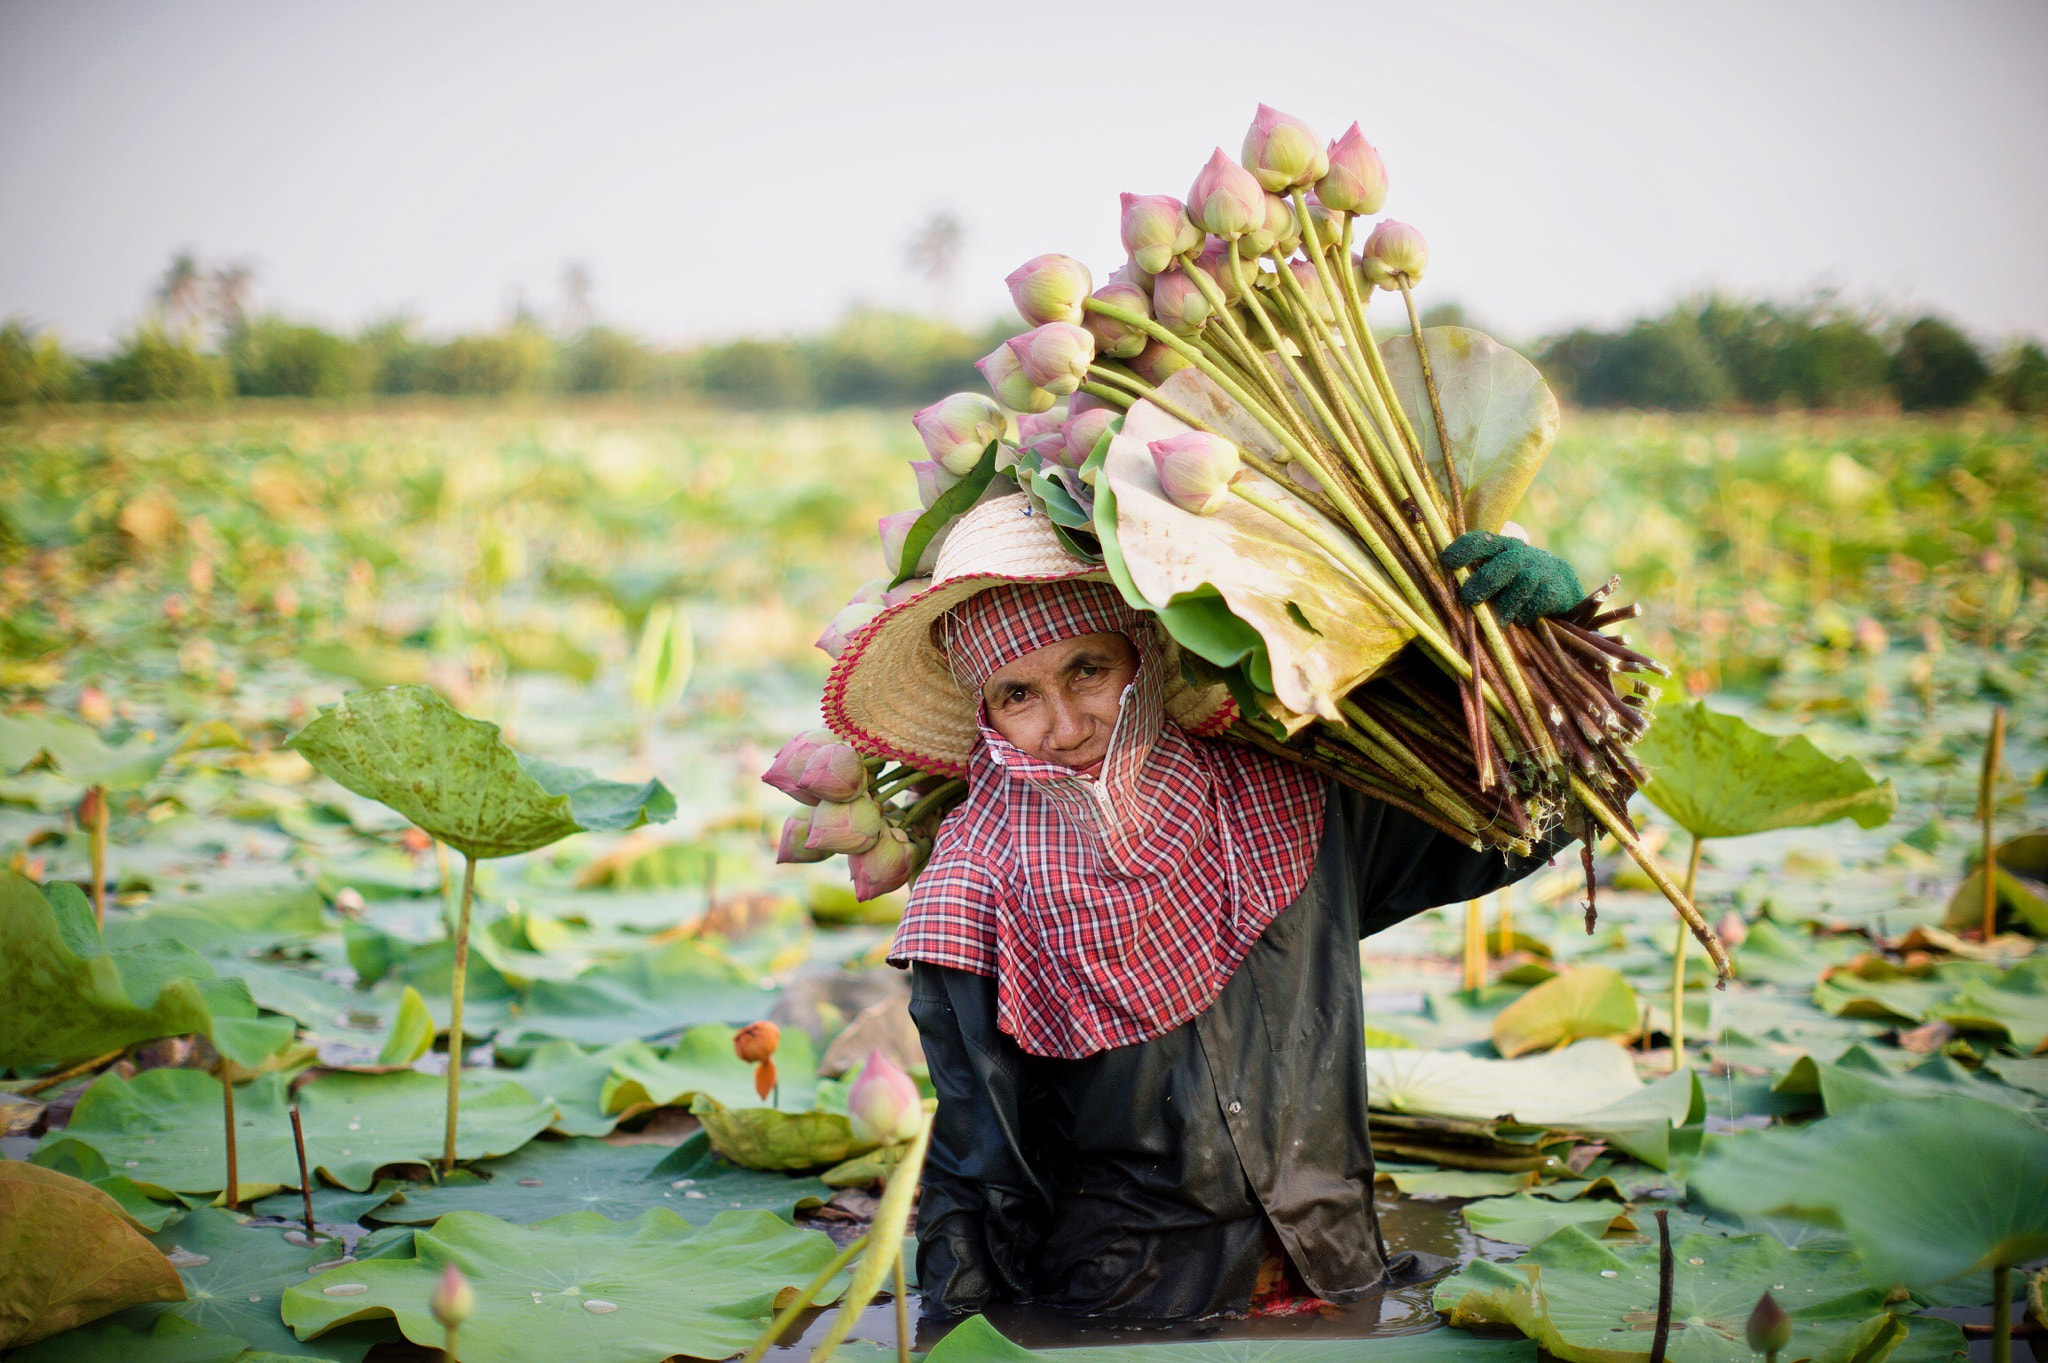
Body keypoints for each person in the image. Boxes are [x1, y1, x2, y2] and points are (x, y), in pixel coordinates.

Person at [822, 492, 1587, 1322]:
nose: (1066, 724)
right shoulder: (969, 889)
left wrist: (1551, 650)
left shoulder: (1286, 800)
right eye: (1018, 694)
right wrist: (961, 1336)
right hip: (1123, 1310)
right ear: (987, 712)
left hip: (1339, 1274)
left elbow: (1524, 820)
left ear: (1142, 653)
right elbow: (979, 1176)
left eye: (1088, 669)